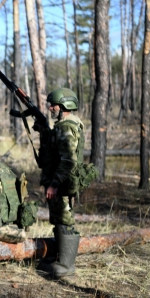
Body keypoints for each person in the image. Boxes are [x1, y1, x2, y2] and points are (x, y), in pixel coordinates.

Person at [34, 88, 86, 278]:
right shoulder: (64, 125)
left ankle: (66, 265)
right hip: (62, 181)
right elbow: (54, 153)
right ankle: (59, 258)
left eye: (54, 104)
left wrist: (54, 183)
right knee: (59, 218)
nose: (50, 108)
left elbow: (68, 160)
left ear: (64, 106)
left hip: (62, 183)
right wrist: (43, 132)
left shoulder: (65, 127)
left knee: (64, 219)